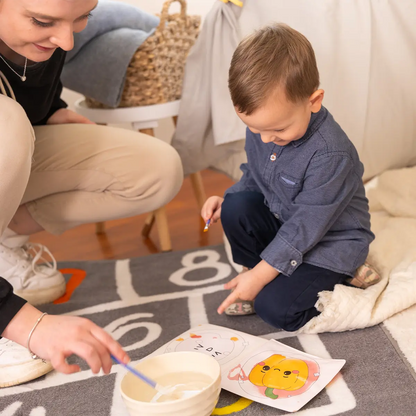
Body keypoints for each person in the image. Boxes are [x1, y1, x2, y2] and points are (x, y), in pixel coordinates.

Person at [0, 0, 183, 386]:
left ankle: (6, 236)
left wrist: (53, 111)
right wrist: (27, 325)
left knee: (158, 170)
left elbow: (27, 92)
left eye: (82, 18)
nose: (67, 41)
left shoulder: (50, 41)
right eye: (43, 21)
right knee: (6, 124)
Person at [201, 23, 376, 331]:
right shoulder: (267, 127)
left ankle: (343, 278)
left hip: (328, 243)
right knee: (235, 206)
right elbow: (255, 176)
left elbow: (304, 228)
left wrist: (260, 277)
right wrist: (227, 198)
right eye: (257, 129)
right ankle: (264, 270)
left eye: (278, 130)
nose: (266, 139)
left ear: (314, 100)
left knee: (275, 310)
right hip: (287, 225)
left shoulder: (330, 155)